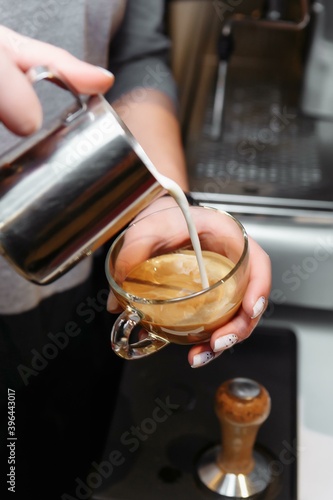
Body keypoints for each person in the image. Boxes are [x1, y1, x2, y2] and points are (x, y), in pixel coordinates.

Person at [0, 1, 271, 498]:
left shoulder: (130, 288)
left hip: (79, 264)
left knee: (66, 457)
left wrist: (161, 209)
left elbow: (136, 56)